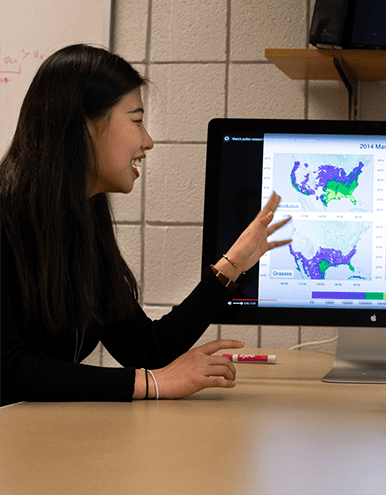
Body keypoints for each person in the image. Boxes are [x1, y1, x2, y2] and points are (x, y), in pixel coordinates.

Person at [0, 44, 291, 405]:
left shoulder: (84, 220)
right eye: (136, 120)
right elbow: (9, 371)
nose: (147, 141)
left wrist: (231, 266)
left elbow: (142, 348)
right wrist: (150, 383)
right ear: (84, 126)